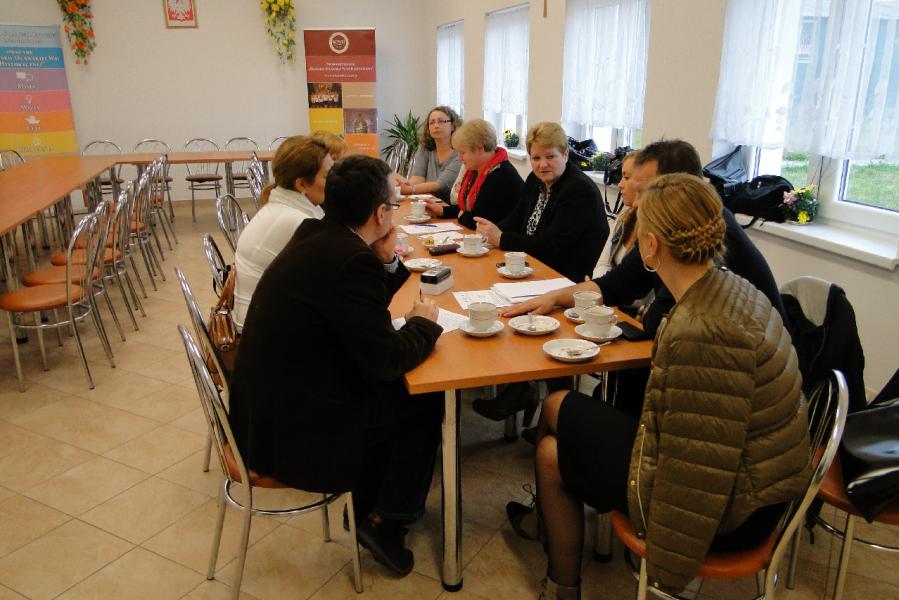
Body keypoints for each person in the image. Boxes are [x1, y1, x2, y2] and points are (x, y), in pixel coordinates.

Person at [524, 174, 811, 599]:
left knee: (551, 452)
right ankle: (552, 548)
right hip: (755, 481)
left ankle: (560, 583)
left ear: (652, 246)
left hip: (737, 511)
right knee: (556, 409)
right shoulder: (729, 286)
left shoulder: (701, 332)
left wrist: (668, 563)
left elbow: (694, 476)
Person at [228, 156, 444, 576]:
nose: (395, 212)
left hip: (265, 407)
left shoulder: (319, 235)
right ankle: (387, 522)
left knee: (394, 394)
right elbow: (386, 359)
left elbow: (358, 312)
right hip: (290, 432)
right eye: (394, 205)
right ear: (379, 213)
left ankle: (367, 508)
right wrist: (424, 323)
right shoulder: (348, 259)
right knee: (423, 401)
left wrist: (385, 260)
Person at [474, 122, 608, 283]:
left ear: (565, 155)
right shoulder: (535, 179)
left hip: (564, 277)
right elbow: (516, 218)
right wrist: (489, 232)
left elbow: (553, 246)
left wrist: (502, 239)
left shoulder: (579, 189)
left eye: (550, 157)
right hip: (532, 265)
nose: (542, 165)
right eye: (536, 158)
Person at [233, 135, 332, 331]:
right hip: (264, 333)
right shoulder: (297, 222)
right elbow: (334, 280)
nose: (334, 181)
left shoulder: (283, 207)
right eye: (327, 176)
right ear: (301, 184)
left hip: (261, 320)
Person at [423, 118, 523, 229]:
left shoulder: (500, 175)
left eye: (463, 152)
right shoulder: (478, 170)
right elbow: (469, 210)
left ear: (480, 149)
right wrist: (442, 210)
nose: (460, 158)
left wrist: (461, 216)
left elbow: (477, 220)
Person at [396, 106, 463, 202]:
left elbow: (440, 185)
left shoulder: (460, 152)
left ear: (453, 125)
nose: (436, 126)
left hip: (448, 206)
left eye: (441, 121)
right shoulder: (425, 148)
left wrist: (410, 189)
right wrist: (404, 185)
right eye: (431, 122)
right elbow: (418, 177)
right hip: (427, 201)